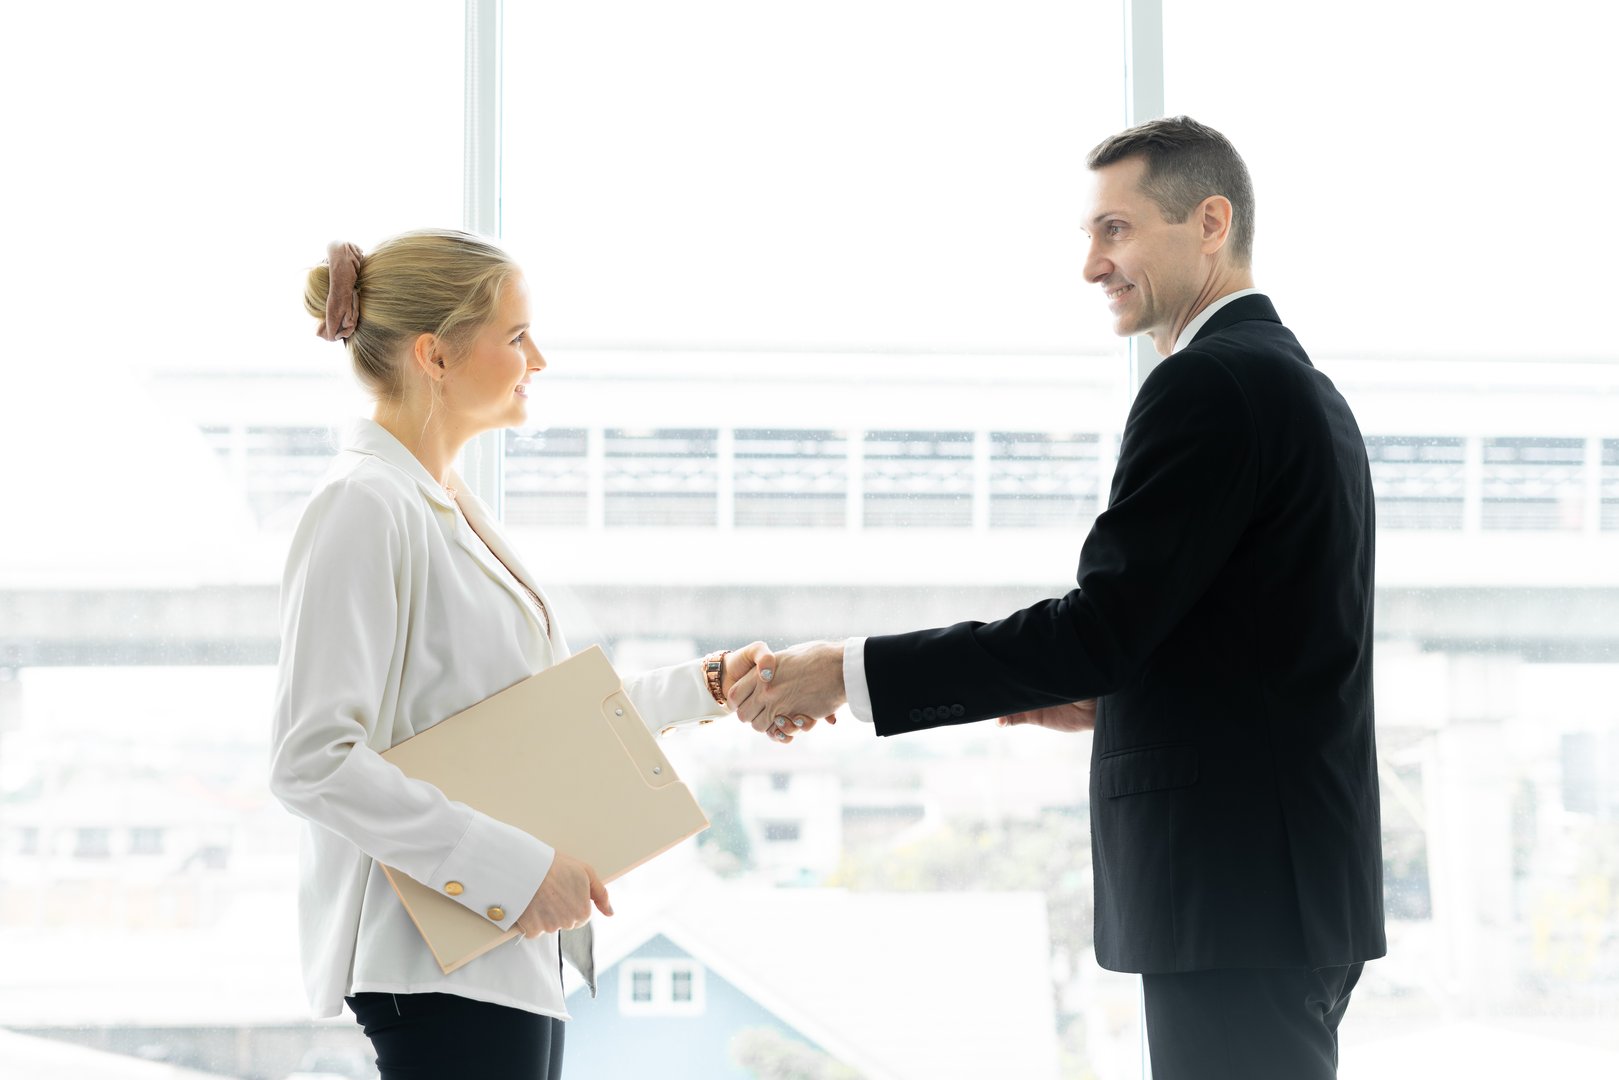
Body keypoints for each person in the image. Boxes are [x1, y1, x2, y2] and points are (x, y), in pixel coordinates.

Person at [730, 117, 1386, 1080]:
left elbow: (1104, 627)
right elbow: (1257, 641)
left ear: (1210, 220)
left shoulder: (1207, 383)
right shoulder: (1292, 383)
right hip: (1279, 889)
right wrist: (1125, 694)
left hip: (1235, 896)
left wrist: (844, 672)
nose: (1091, 265)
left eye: (1114, 231)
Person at [270, 229, 775, 1080]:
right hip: (431, 959)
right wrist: (515, 869)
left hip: (495, 953)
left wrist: (708, 687)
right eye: (514, 336)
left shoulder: (440, 500)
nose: (536, 358)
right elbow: (312, 760)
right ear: (434, 354)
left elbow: (532, 727)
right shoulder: (364, 505)